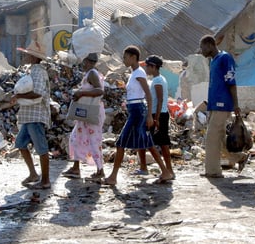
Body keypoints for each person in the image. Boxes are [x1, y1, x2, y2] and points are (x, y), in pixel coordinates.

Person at [103, 45, 173, 186]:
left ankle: (113, 177)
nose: (123, 60)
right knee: (147, 143)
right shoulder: (135, 73)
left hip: (138, 112)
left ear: (133, 57)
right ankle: (165, 171)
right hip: (135, 110)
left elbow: (148, 94)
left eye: (125, 57)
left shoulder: (139, 73)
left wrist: (149, 116)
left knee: (121, 143)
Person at [199, 35, 248, 178]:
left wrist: (236, 104)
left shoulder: (225, 58)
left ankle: (213, 171)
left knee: (211, 137)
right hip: (214, 104)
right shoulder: (214, 61)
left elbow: (231, 82)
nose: (201, 51)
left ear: (209, 45)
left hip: (223, 104)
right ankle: (239, 157)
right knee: (219, 138)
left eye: (202, 47)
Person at [11, 40, 51, 190]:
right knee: (20, 144)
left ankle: (45, 180)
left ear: (34, 58)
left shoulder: (38, 71)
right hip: (29, 116)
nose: (25, 57)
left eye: (27, 55)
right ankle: (34, 174)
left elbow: (38, 94)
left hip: (36, 115)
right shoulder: (34, 70)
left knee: (41, 148)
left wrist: (19, 96)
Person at [62, 53, 105, 179]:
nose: (83, 63)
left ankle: (100, 170)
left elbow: (99, 90)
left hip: (92, 112)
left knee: (93, 141)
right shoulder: (89, 74)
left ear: (89, 61)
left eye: (85, 61)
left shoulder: (92, 73)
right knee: (76, 138)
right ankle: (76, 168)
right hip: (86, 113)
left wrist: (81, 93)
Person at [136, 55, 175, 178]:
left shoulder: (158, 81)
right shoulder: (157, 79)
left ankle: (167, 170)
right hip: (157, 114)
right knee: (148, 140)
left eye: (147, 66)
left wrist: (156, 118)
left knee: (159, 142)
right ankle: (146, 167)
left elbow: (160, 99)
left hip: (159, 115)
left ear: (153, 67)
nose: (146, 69)